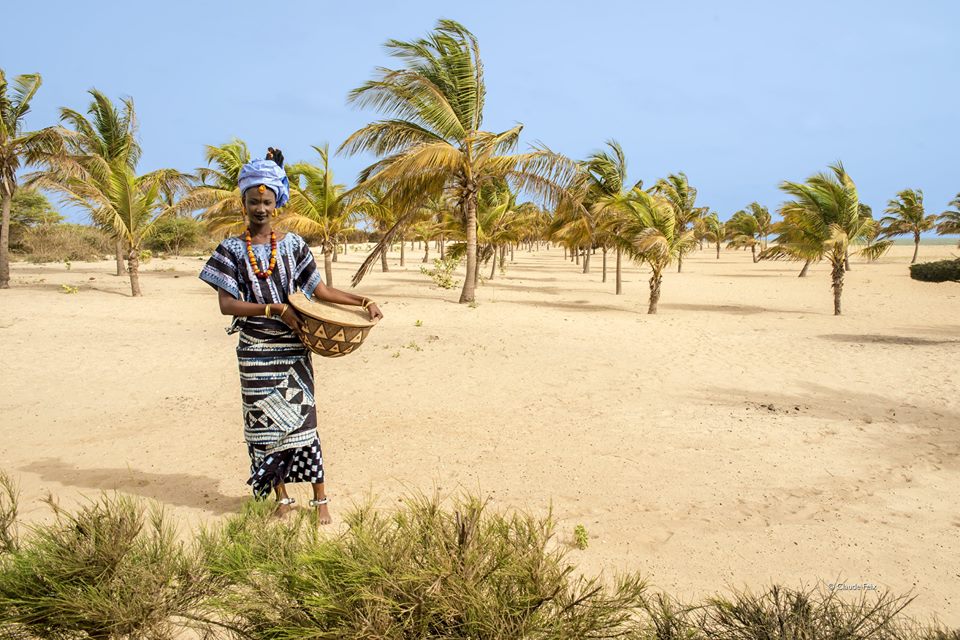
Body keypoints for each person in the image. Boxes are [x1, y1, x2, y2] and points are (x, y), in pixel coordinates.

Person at [199, 148, 383, 523]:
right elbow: (227, 305)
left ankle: (320, 499)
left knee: (304, 424)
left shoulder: (295, 245)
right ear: (244, 202)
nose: (261, 208)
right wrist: (276, 309)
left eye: (267, 201)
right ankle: (281, 498)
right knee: (263, 427)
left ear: (277, 203)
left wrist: (363, 300)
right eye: (254, 201)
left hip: (293, 349)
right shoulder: (231, 250)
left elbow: (320, 291)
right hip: (254, 351)